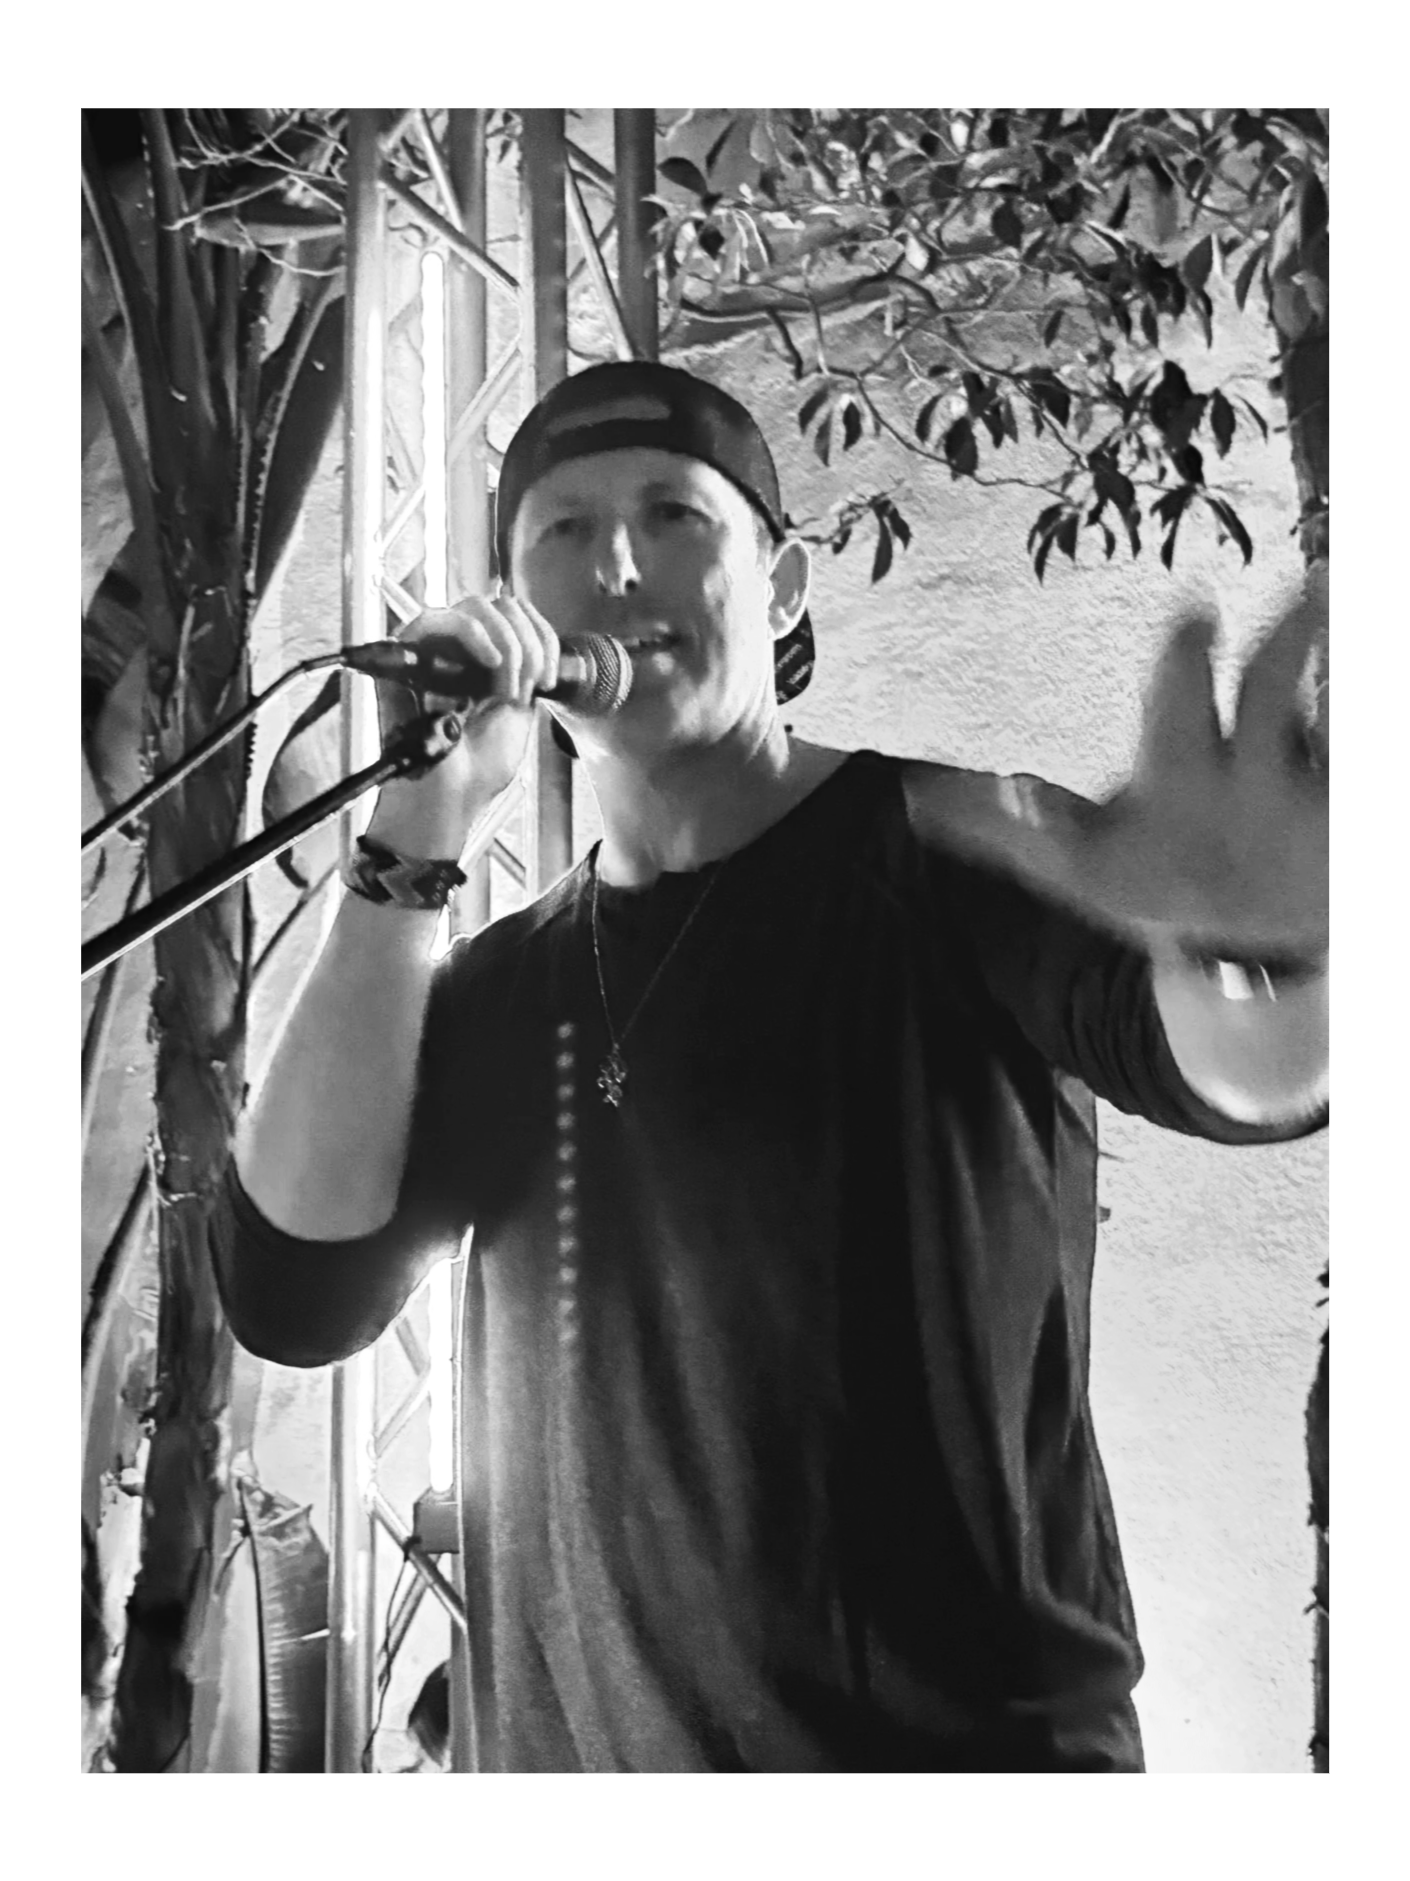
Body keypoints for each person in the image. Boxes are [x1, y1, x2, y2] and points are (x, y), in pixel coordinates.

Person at [215, 361, 1329, 1790]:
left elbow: (1236, 1072)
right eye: (559, 532)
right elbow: (293, 1292)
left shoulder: (949, 846)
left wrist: (1259, 956)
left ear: (786, 585)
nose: (614, 565)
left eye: (674, 516)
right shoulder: (493, 987)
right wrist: (416, 825)